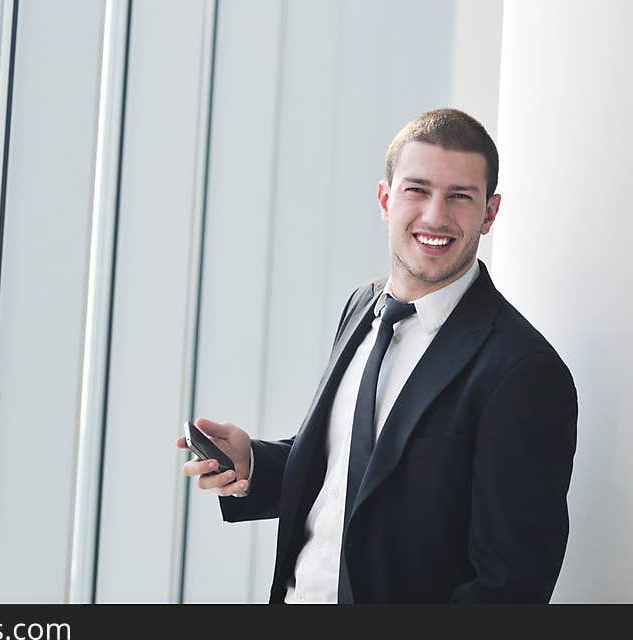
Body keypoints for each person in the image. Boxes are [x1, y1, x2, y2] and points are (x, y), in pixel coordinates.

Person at [176, 108, 578, 603]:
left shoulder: (523, 372)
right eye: (417, 190)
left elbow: (509, 586)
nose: (435, 216)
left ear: (489, 213)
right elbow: (354, 474)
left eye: (460, 196)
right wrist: (254, 464)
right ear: (386, 199)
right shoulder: (363, 307)